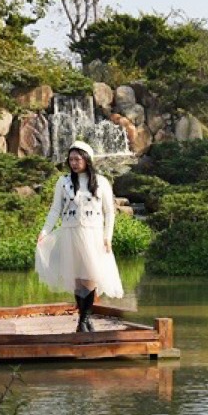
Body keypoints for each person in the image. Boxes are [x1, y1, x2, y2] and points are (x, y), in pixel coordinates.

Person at [35, 140, 123, 332]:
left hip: (93, 233)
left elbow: (109, 212)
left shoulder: (101, 182)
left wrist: (108, 237)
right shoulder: (63, 182)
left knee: (90, 276)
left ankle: (84, 319)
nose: (74, 163)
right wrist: (44, 232)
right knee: (77, 277)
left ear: (87, 160)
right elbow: (55, 210)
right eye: (71, 159)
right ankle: (83, 320)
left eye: (78, 159)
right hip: (70, 232)